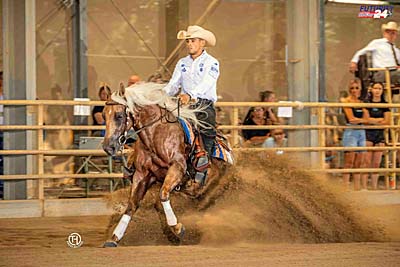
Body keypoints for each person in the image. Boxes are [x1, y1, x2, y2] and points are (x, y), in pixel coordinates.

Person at [163, 25, 219, 186]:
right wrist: (161, 95)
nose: (189, 44)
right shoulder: (182, 63)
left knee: (207, 130)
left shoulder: (212, 63)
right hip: (184, 105)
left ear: (202, 42)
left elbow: (207, 82)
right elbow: (174, 84)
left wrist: (190, 95)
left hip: (203, 105)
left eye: (192, 41)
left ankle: (204, 164)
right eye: (188, 41)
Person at [341, 78, 369, 190]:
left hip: (361, 131)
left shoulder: (362, 102)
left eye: (356, 88)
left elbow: (367, 119)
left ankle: (357, 186)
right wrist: (363, 120)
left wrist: (363, 120)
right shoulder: (346, 101)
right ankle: (345, 186)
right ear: (349, 89)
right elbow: (351, 118)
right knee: (349, 160)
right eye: (352, 88)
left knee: (359, 161)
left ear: (360, 89)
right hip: (351, 130)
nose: (354, 90)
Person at [361, 82, 390, 190]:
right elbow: (366, 120)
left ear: (382, 91)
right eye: (375, 88)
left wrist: (374, 121)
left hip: (379, 134)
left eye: (380, 88)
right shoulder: (367, 103)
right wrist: (379, 120)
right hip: (368, 133)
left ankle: (374, 186)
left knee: (376, 162)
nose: (377, 91)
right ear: (371, 89)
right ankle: (364, 186)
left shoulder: (385, 104)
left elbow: (387, 121)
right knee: (366, 161)